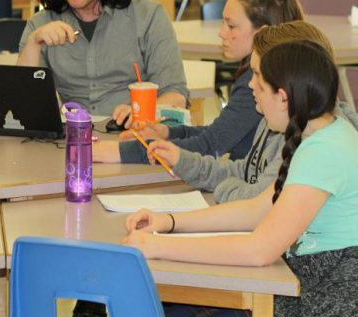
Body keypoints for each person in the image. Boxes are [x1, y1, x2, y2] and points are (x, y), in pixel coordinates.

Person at [126, 40, 358, 317]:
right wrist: (170, 222)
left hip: (327, 312)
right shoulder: (325, 133)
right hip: (311, 293)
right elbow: (258, 209)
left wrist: (156, 247)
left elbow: (258, 250)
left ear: (284, 97)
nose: (251, 87)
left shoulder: (323, 150)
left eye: (259, 85)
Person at [93, 0, 305, 164]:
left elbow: (210, 145)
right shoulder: (259, 76)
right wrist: (167, 133)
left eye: (231, 26)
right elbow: (217, 132)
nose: (222, 33)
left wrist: (120, 152)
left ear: (262, 32)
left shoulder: (258, 83)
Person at [151, 20, 358, 204]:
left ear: (286, 85)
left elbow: (261, 202)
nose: (251, 84)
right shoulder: (273, 119)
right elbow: (247, 171)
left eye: (258, 74)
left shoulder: (312, 139)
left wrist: (221, 192)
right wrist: (183, 161)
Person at [18, 0, 188, 119]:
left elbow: (176, 96)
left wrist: (140, 113)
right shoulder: (41, 24)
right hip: (72, 138)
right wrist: (33, 44)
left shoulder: (148, 17)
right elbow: (23, 105)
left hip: (134, 136)